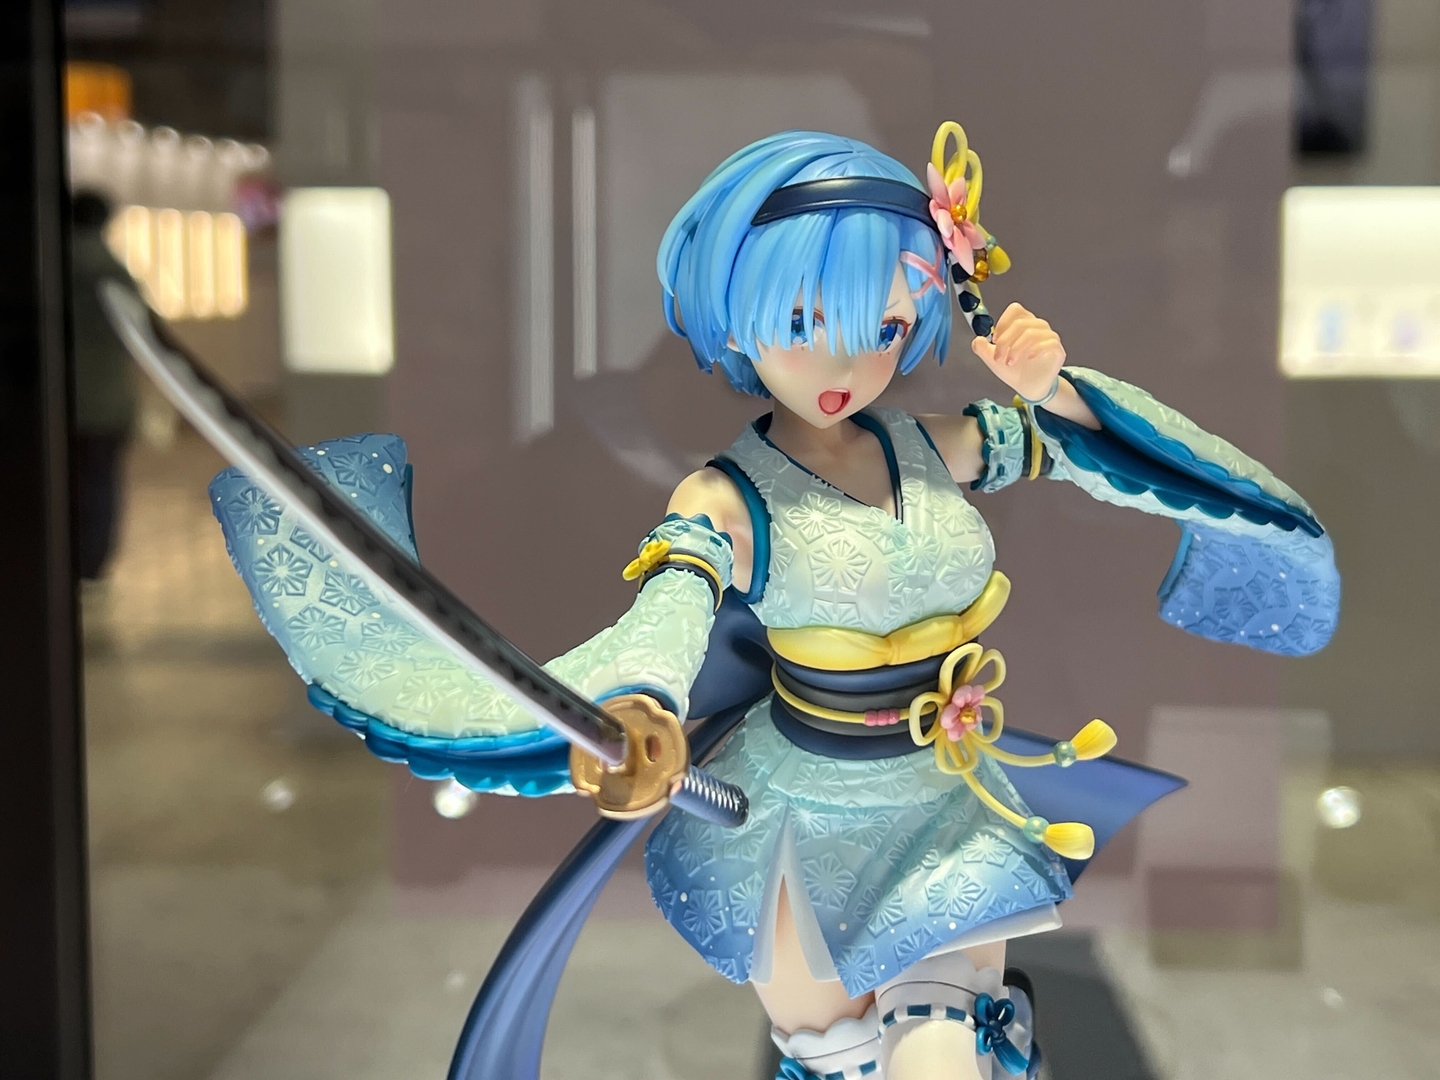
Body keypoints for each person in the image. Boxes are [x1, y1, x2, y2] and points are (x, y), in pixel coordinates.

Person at [210, 124, 1339, 1080]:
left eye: (882, 328)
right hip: (800, 819)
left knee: (951, 1052)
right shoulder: (727, 496)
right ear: (738, 316)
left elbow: (1094, 457)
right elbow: (671, 607)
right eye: (804, 323)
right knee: (834, 1054)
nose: (846, 362)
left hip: (948, 805)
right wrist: (641, 702)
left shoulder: (934, 445)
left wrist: (1058, 394)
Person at [70, 189, 138, 580]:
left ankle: (69, 554)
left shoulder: (47, 267)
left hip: (63, 403)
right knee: (100, 482)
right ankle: (94, 559)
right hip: (107, 403)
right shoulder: (112, 272)